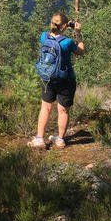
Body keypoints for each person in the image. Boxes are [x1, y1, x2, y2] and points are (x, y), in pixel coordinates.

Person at [28, 12, 85, 149]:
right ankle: (60, 139)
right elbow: (81, 51)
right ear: (65, 26)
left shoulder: (44, 36)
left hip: (47, 78)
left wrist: (62, 26)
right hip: (66, 79)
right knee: (63, 110)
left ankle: (39, 139)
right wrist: (78, 33)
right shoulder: (68, 42)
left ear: (52, 23)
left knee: (45, 108)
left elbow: (51, 33)